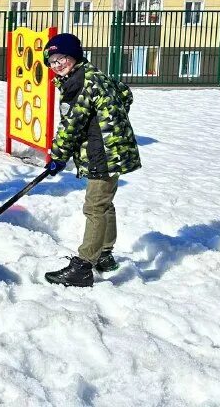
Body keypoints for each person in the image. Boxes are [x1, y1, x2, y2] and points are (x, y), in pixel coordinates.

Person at [42, 33, 141, 287]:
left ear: (74, 56)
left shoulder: (79, 83)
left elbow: (71, 125)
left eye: (61, 58)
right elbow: (124, 93)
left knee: (95, 207)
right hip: (113, 148)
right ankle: (104, 255)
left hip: (103, 152)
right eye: (52, 62)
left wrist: (58, 156)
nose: (57, 65)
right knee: (104, 204)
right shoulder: (93, 75)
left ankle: (84, 266)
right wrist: (109, 120)